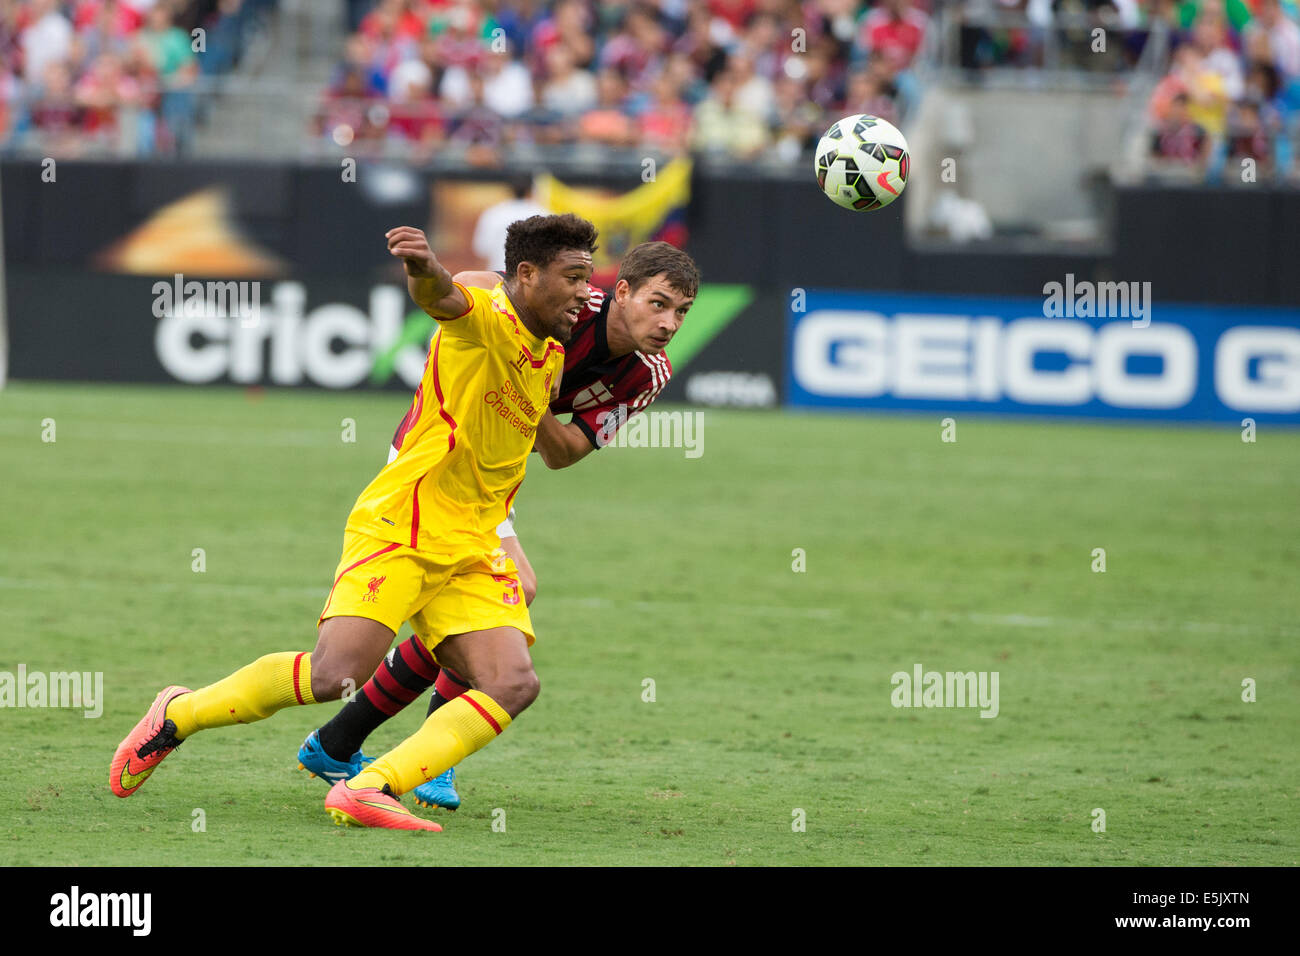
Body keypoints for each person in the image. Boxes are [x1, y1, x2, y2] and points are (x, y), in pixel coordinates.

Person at [110, 214, 598, 831]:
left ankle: (370, 785)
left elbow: (547, 445)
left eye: (590, 278)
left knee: (513, 682)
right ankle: (180, 713)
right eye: (574, 277)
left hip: (475, 543)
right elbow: (445, 298)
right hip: (404, 525)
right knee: (333, 675)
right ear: (526, 276)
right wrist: (423, 269)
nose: (586, 290)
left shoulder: (551, 354)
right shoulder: (487, 318)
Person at [298, 240, 701, 810]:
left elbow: (563, 453)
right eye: (659, 304)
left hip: (493, 474)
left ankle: (341, 741)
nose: (669, 323)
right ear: (623, 291)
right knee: (511, 592)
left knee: (503, 596)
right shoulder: (571, 302)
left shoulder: (649, 373)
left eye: (682, 312)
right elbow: (479, 282)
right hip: (441, 452)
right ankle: (412, 757)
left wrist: (524, 389)